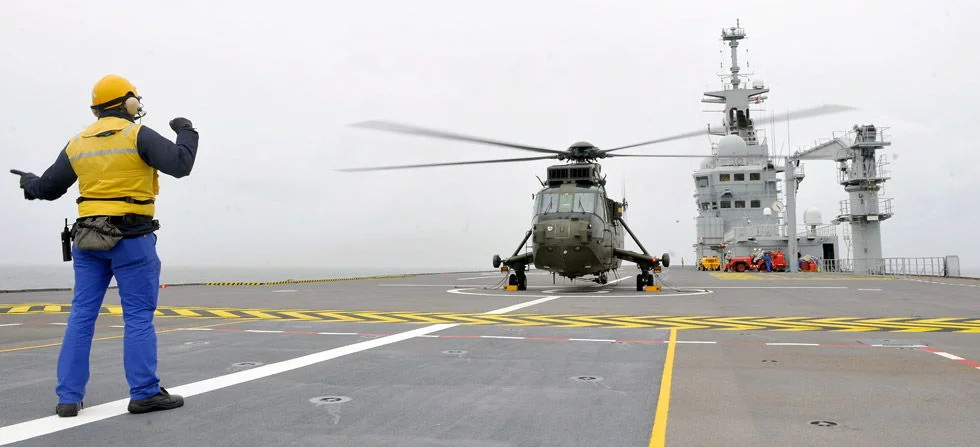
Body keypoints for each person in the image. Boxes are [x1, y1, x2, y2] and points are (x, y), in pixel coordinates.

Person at [10, 74, 199, 417]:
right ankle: (144, 392)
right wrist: (187, 130)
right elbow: (180, 165)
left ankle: (68, 398)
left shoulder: (77, 142)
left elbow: (50, 188)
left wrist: (30, 183)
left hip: (87, 240)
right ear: (127, 103)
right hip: (132, 239)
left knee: (81, 316)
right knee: (138, 317)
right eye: (135, 100)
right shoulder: (137, 134)